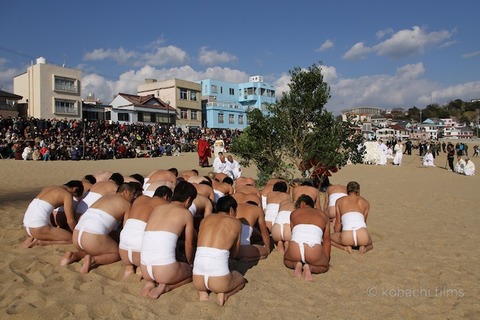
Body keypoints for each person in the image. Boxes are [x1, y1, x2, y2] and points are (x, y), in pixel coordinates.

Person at [60, 183, 136, 273]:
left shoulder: (105, 197)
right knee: (116, 253)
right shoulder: (126, 204)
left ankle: (74, 255)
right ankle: (93, 260)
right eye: (133, 194)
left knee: (96, 249)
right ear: (126, 192)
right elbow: (126, 229)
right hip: (92, 237)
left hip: (77, 234)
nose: (133, 198)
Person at [139, 181, 197, 299]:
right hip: (165, 271)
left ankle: (149, 283)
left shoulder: (158, 209)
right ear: (188, 200)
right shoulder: (186, 213)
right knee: (193, 273)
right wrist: (189, 263)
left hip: (144, 268)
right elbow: (189, 244)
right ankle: (166, 287)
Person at [192, 195, 246, 306]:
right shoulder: (235, 222)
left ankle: (203, 293)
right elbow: (234, 253)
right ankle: (225, 295)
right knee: (241, 280)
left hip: (197, 279)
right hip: (219, 280)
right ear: (231, 210)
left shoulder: (205, 219)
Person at [119, 186, 172, 279]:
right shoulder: (164, 204)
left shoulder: (140, 199)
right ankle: (139, 270)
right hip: (140, 248)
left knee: (129, 265)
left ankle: (129, 268)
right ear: (167, 197)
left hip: (123, 246)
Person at [21, 180, 84, 248]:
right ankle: (42, 242)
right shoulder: (67, 195)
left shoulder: (48, 188)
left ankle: (32, 237)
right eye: (74, 195)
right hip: (38, 228)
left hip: (27, 226)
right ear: (75, 189)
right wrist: (77, 233)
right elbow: (70, 221)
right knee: (72, 239)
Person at [283, 194, 330, 281]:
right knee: (324, 267)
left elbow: (293, 234)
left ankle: (296, 265)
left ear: (302, 204)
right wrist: (325, 260)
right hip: (313, 250)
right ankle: (310, 268)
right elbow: (327, 240)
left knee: (286, 261)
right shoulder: (323, 215)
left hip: (295, 248)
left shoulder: (294, 214)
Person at [330, 181, 372, 255]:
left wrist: (337, 234)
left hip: (347, 236)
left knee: (329, 238)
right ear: (358, 191)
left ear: (347, 190)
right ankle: (364, 248)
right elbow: (364, 223)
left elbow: (338, 222)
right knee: (370, 242)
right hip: (362, 236)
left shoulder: (339, 201)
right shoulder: (365, 202)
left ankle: (345, 248)